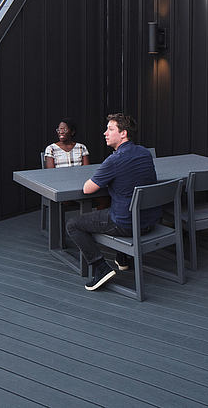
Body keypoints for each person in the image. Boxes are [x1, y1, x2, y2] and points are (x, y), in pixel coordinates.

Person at [65, 113, 159, 291]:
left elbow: (87, 189)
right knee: (117, 203)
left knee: (73, 224)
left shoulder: (114, 160)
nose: (104, 133)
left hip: (127, 224)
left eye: (110, 129)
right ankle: (122, 258)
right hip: (149, 221)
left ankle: (101, 268)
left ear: (123, 133)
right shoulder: (145, 153)